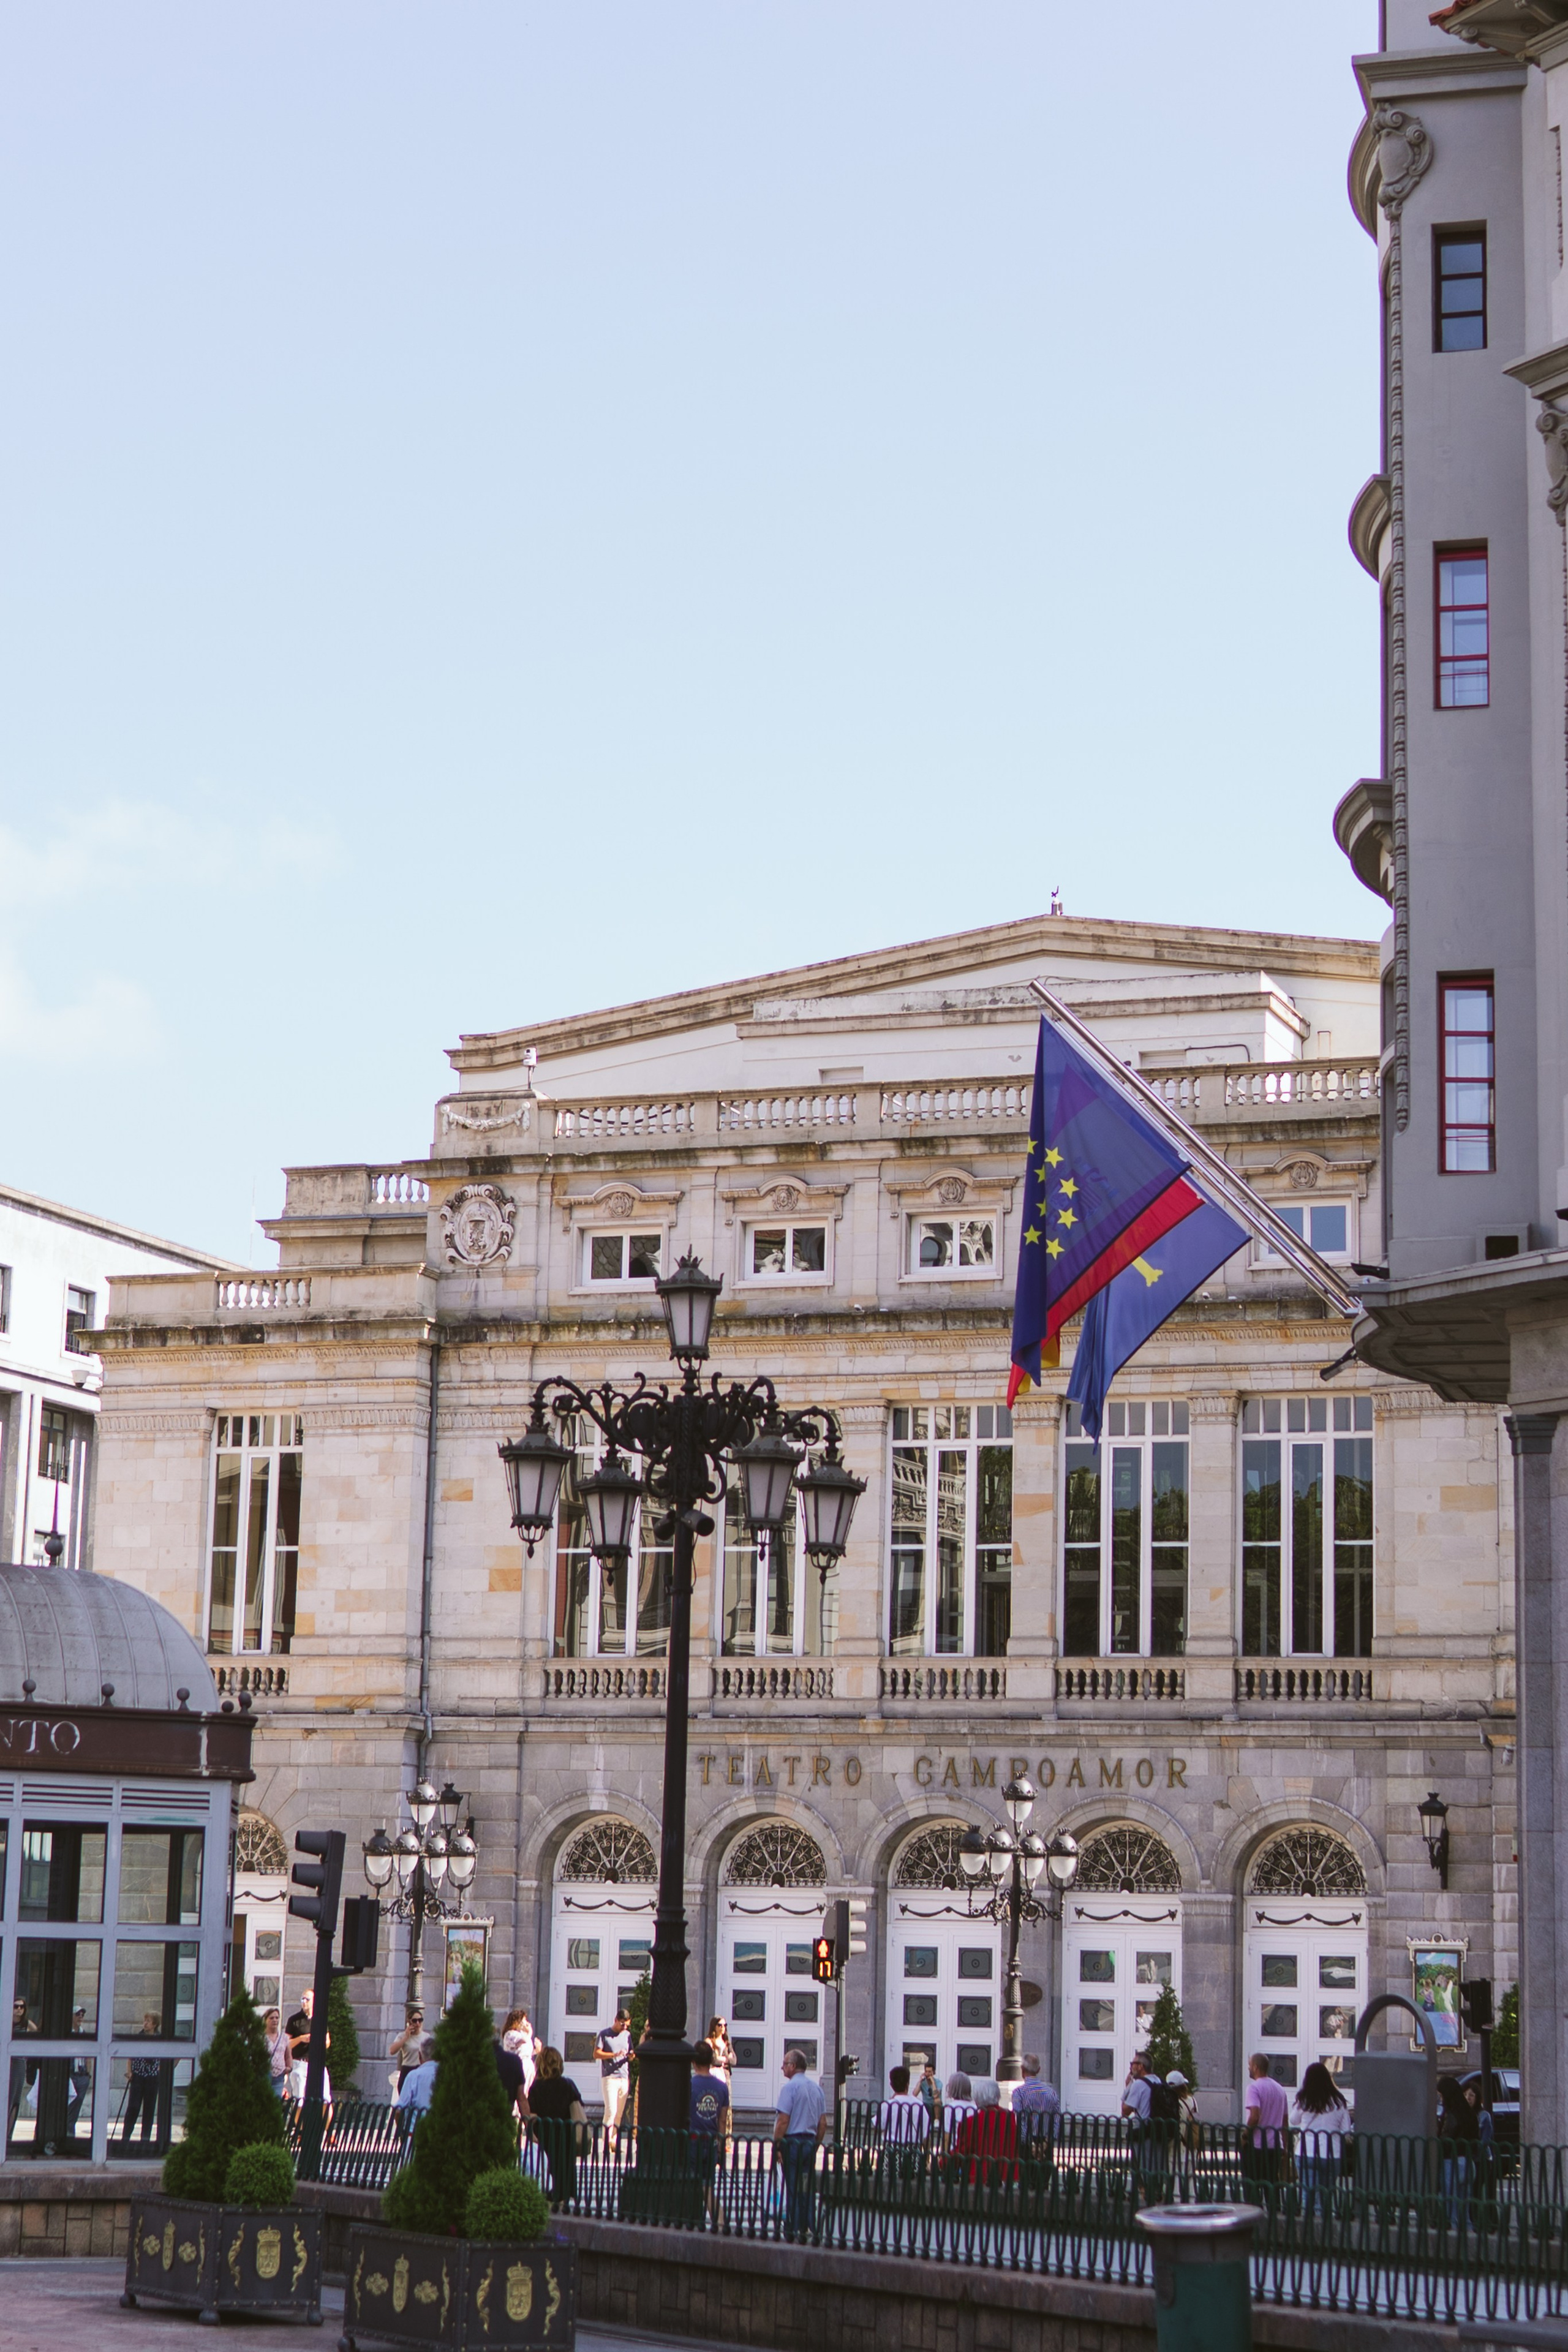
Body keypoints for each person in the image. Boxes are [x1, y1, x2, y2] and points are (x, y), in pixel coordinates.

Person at [774, 2049, 829, 2241]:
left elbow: (783, 2120)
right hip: (809, 2143)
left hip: (793, 2143)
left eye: (785, 2063)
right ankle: (808, 2226)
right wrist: (816, 2144)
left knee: (793, 2186)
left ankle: (793, 2227)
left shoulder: (789, 2089)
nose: (782, 2067)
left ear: (793, 2066)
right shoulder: (817, 2089)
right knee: (806, 2186)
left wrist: (777, 2145)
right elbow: (823, 2123)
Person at [526, 2046, 587, 2205]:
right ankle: (563, 2205)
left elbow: (532, 2116)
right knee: (563, 2179)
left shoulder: (536, 2087)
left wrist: (530, 2135)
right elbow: (578, 2110)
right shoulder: (568, 2085)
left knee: (546, 2176)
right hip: (565, 2139)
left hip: (544, 2139)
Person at [1291, 2061, 1352, 2217]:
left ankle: (1309, 2229)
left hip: (1307, 2151)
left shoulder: (1304, 2099)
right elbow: (1346, 2129)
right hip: (1332, 2154)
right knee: (1326, 2195)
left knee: (1307, 2193)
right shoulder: (1338, 2101)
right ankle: (1324, 2227)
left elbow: (1293, 2120)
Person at [689, 2038, 731, 2216]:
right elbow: (722, 2120)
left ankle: (716, 2217)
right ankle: (716, 2218)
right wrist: (721, 2144)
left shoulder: (689, 2085)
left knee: (695, 2184)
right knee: (707, 2183)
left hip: (692, 2140)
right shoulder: (721, 2087)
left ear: (693, 2062)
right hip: (712, 2140)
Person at [1242, 2054, 1289, 2204]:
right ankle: (1274, 2220)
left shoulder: (1254, 2088)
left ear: (1255, 2067)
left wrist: (1245, 2135)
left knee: (1252, 2186)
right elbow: (1285, 2121)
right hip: (1274, 2145)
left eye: (1250, 2065)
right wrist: (1284, 2146)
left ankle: (1255, 2219)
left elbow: (1255, 2116)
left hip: (1257, 2145)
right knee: (1272, 2185)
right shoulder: (1280, 2089)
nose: (1249, 2068)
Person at [954, 2076, 1017, 2186]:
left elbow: (962, 2152)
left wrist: (942, 2163)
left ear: (977, 2099)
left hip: (980, 2177)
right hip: (1007, 2176)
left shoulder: (971, 2122)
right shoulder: (1010, 2118)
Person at [1438, 2071, 1480, 2230]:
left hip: (1452, 2163)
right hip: (1469, 2163)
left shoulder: (1452, 2114)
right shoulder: (1470, 2113)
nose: (1441, 2099)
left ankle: (1455, 2248)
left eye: (1442, 2095)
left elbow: (1446, 2139)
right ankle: (1470, 2244)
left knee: (1452, 2212)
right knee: (1466, 2213)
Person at [122, 2014, 164, 2147]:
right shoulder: (138, 2038)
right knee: (133, 2108)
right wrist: (129, 2072)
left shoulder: (160, 2039)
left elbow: (167, 2057)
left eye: (148, 2021)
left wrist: (161, 2070)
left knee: (149, 2110)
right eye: (145, 2021)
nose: (145, 2023)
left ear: (155, 2025)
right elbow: (130, 2057)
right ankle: (125, 2140)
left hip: (152, 2078)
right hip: (138, 2077)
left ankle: (145, 2141)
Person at [1011, 2054, 1061, 2161]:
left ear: (1022, 2070)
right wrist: (1048, 2141)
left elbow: (1020, 2120)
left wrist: (1031, 2144)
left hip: (1027, 2144)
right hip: (1046, 2142)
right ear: (1039, 2070)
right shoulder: (1051, 2093)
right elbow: (1057, 2118)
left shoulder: (1019, 2093)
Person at [286, 1989, 331, 2106]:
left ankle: (325, 2125)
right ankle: (300, 2125)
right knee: (299, 2101)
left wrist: (318, 2042)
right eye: (302, 1999)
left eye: (307, 1999)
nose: (304, 2002)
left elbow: (327, 2042)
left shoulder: (320, 2019)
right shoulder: (294, 2020)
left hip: (317, 2063)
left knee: (326, 2100)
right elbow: (286, 2044)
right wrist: (301, 2039)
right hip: (300, 2063)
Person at [594, 2008, 632, 2139]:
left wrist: (632, 2056)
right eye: (622, 2024)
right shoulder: (605, 2034)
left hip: (624, 2077)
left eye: (627, 2024)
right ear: (616, 2020)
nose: (625, 2027)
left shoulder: (627, 2035)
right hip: (610, 2077)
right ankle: (605, 2142)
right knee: (611, 2111)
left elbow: (630, 2053)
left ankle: (613, 2141)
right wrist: (613, 2055)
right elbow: (596, 2054)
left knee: (619, 2114)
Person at [878, 2064, 930, 2146]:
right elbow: (926, 2134)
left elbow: (878, 2126)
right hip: (913, 2150)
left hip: (891, 2150)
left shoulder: (887, 2105)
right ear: (908, 2083)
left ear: (891, 2085)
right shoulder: (919, 2105)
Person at [394, 2037, 439, 2129]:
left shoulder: (414, 2076)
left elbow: (398, 2111)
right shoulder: (447, 2074)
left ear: (420, 2056)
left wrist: (402, 2132)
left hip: (414, 2134)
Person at [494, 2027, 529, 2123]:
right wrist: (530, 2130)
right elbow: (521, 2097)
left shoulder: (476, 2060)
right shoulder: (514, 2061)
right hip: (505, 2120)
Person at [389, 2006, 424, 2094]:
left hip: (420, 2069)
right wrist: (406, 2037)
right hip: (407, 2069)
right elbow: (392, 2051)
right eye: (415, 2021)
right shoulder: (402, 2036)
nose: (418, 2024)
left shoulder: (426, 2037)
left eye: (420, 2020)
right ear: (409, 2022)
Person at [263, 2008, 290, 2099]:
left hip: (279, 2075)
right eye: (271, 2018)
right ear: (266, 2020)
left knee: (276, 2100)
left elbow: (288, 2055)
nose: (275, 2020)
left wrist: (289, 2068)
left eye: (277, 2018)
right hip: (264, 2074)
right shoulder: (261, 2037)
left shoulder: (284, 2038)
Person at [706, 2016, 736, 2092]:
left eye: (725, 2025)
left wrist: (721, 2058)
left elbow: (734, 2061)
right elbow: (713, 2060)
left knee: (726, 2100)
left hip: (726, 2076)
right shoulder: (710, 2042)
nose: (723, 2027)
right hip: (713, 2075)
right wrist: (726, 2059)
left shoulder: (727, 2043)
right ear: (714, 2026)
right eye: (720, 2025)